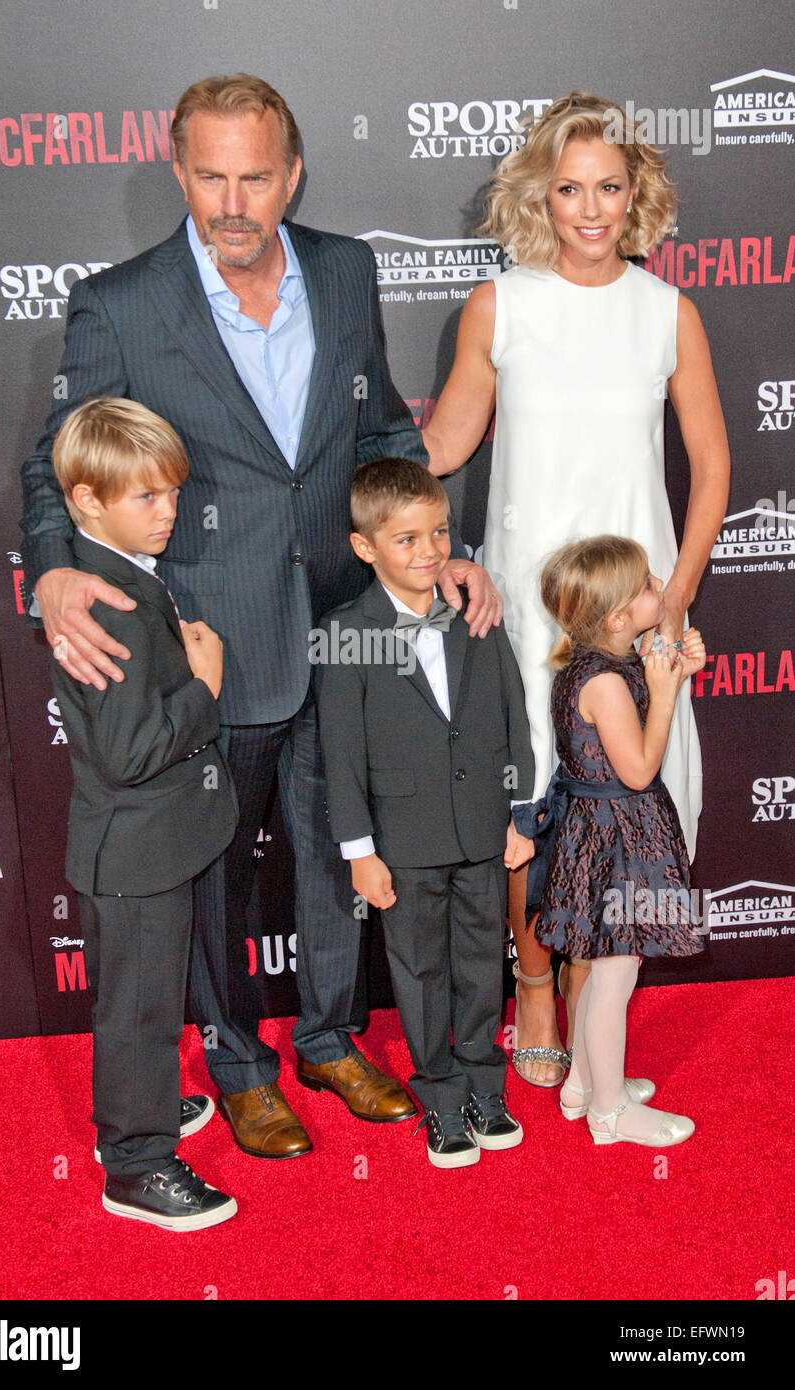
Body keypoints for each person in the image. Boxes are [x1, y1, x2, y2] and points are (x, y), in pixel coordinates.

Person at [20, 74, 502, 1159]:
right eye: (209, 176)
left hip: (343, 621)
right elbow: (55, 470)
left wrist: (435, 547)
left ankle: (329, 1037)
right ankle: (238, 1062)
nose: (232, 203)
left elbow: (379, 428)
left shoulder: (344, 268)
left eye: (254, 177)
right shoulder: (121, 303)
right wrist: (51, 569)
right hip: (210, 637)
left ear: (289, 174)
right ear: (178, 170)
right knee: (214, 869)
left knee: (342, 851)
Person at [422, 92, 729, 1087]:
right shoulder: (500, 304)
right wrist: (348, 488)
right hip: (521, 604)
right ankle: (536, 978)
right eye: (568, 189)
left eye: (607, 187)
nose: (589, 209)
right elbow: (448, 442)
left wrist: (673, 596)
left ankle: (604, 994)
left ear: (634, 191)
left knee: (636, 796)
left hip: (634, 607)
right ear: (537, 196)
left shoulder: (665, 312)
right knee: (533, 800)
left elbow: (710, 464)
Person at [50, 397, 238, 1228]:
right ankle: (134, 1162)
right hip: (135, 850)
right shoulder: (110, 602)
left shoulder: (115, 573)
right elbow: (130, 754)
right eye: (146, 499)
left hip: (154, 842)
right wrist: (206, 689)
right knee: (138, 1008)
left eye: (171, 493)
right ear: (89, 500)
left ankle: (141, 1106)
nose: (168, 514)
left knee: (146, 999)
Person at [315, 459, 534, 1166]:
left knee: (479, 963)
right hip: (402, 842)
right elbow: (340, 755)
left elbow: (512, 713)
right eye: (406, 539)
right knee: (420, 970)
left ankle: (484, 1084)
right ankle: (439, 1095)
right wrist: (359, 852)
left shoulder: (475, 613)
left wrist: (516, 809)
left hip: (478, 827)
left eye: (438, 532)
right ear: (365, 547)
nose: (429, 550)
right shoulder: (346, 632)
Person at [510, 535, 706, 1145]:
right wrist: (669, 691)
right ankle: (611, 1112)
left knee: (601, 969)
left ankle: (583, 1088)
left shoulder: (598, 666)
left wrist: (671, 665)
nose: (659, 589)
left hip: (600, 835)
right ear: (619, 617)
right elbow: (641, 770)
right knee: (614, 976)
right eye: (648, 585)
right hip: (619, 841)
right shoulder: (608, 684)